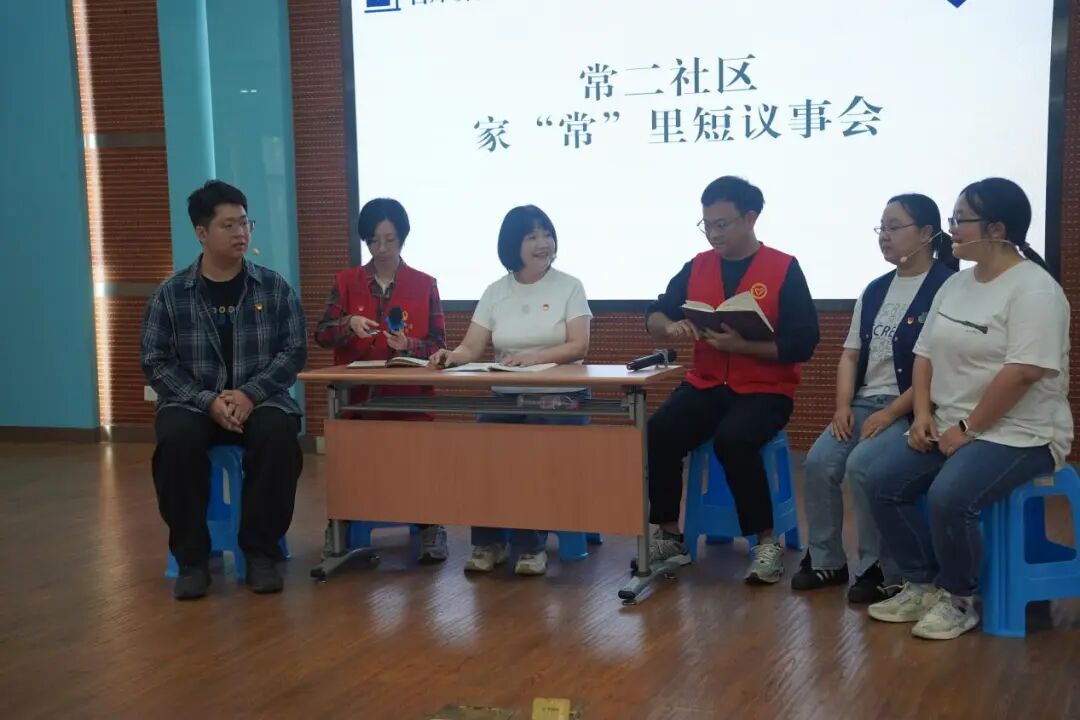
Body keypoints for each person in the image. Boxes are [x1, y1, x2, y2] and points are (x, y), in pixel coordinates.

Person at [864, 178, 1072, 640]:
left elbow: (1021, 373)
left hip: (1021, 432)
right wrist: (922, 416)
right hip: (948, 424)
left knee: (949, 496)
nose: (952, 229)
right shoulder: (955, 284)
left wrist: (968, 427)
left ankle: (959, 597)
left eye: (961, 220)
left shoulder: (1035, 290)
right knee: (881, 483)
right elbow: (925, 356)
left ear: (996, 229)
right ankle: (922, 583)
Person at [642, 175, 819, 584]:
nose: (714, 234)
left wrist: (744, 346)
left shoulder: (783, 268)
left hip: (766, 390)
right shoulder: (697, 265)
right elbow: (655, 312)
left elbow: (803, 343)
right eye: (707, 225)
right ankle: (669, 535)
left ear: (750, 218)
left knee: (734, 439)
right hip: (707, 383)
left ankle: (766, 542)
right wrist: (668, 326)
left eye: (722, 224)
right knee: (660, 430)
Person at [142, 180, 306, 600]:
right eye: (228, 225)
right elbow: (156, 362)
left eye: (245, 223)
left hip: (261, 400)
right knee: (176, 440)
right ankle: (192, 561)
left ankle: (261, 553)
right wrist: (208, 401)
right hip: (193, 403)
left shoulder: (273, 287)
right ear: (201, 232)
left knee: (278, 436)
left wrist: (249, 393)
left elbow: (294, 351)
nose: (241, 233)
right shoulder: (171, 294)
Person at [794, 194, 956, 603]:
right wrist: (842, 407)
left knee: (862, 466)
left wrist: (890, 413)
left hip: (914, 407)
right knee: (818, 462)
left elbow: (938, 368)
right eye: (881, 228)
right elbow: (850, 355)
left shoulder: (947, 288)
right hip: (864, 403)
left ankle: (879, 567)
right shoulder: (876, 288)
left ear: (927, 233)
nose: (884, 236)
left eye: (894, 227)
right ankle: (827, 559)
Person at [429, 205, 592, 576]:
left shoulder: (570, 286)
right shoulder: (495, 292)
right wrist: (450, 356)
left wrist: (535, 358)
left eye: (547, 234)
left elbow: (578, 345)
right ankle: (488, 543)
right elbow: (472, 347)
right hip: (508, 394)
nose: (543, 243)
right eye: (532, 236)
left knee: (529, 446)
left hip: (561, 396)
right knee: (483, 442)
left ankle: (530, 547)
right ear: (512, 244)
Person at [315, 198, 448, 564]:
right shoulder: (346, 282)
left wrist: (410, 345)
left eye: (390, 239)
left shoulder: (424, 284)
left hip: (410, 400)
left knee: (420, 455)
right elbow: (322, 334)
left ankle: (430, 524)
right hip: (356, 401)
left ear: (402, 238)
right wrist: (348, 324)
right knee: (347, 453)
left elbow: (439, 345)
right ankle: (341, 526)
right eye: (374, 241)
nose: (382, 248)